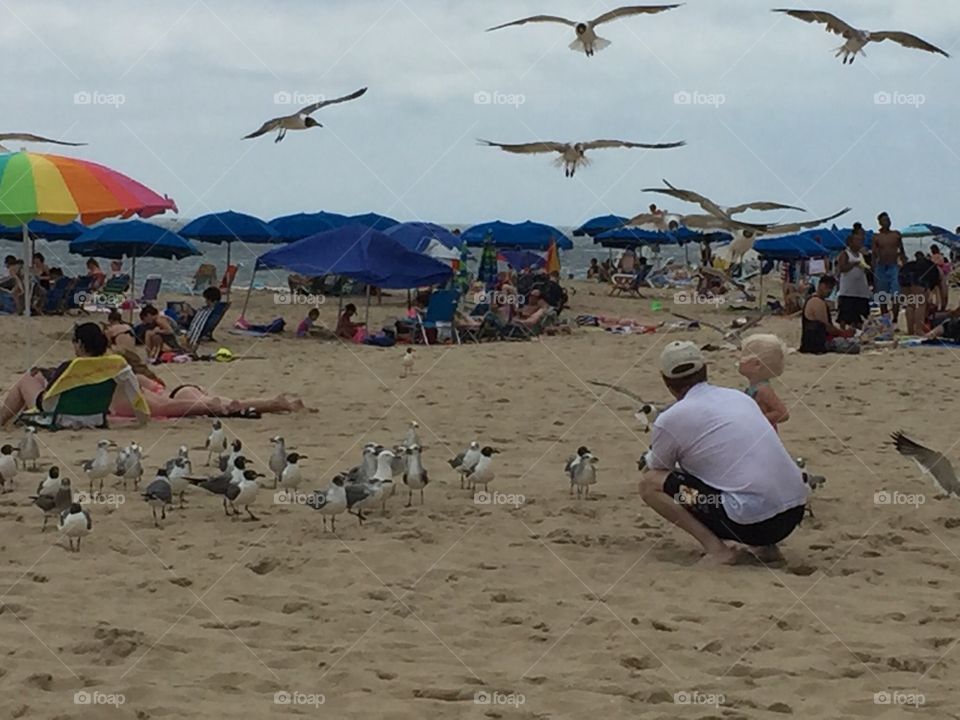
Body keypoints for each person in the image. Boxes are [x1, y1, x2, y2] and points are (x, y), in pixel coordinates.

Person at [639, 342, 808, 565]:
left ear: (666, 381)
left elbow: (659, 467)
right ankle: (766, 548)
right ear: (705, 370)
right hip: (794, 511)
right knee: (730, 469)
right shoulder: (738, 397)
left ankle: (717, 550)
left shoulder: (671, 418)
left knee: (650, 484)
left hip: (752, 522)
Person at [0, 323, 305, 426]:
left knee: (208, 405)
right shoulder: (114, 364)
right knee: (203, 400)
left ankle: (2, 418)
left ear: (79, 344)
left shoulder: (75, 370)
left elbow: (53, 398)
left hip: (142, 403)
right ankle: (271, 401)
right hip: (154, 392)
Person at [739, 334, 790, 431]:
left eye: (744, 357)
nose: (740, 361)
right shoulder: (753, 388)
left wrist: (759, 419)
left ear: (757, 364)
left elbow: (783, 413)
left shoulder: (763, 390)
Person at [800, 276, 857, 354]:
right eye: (827, 287)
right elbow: (827, 327)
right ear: (820, 285)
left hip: (812, 343)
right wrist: (844, 333)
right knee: (854, 346)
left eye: (831, 288)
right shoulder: (817, 302)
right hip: (817, 344)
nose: (829, 291)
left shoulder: (815, 300)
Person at [836, 224, 872, 330]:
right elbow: (842, 268)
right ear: (850, 242)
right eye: (857, 241)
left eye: (861, 241)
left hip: (861, 292)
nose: (860, 243)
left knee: (860, 317)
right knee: (845, 316)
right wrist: (854, 264)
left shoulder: (861, 255)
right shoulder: (845, 254)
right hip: (847, 292)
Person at [872, 212, 906, 321]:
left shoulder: (896, 234)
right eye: (885, 220)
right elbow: (873, 254)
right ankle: (885, 319)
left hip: (894, 266)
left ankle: (895, 318)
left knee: (896, 294)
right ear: (880, 223)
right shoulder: (876, 237)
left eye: (888, 219)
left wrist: (904, 266)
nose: (887, 222)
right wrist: (873, 271)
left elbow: (902, 251)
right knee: (883, 296)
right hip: (881, 267)